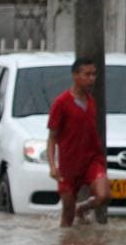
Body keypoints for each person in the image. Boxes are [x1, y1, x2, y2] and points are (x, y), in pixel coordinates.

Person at [47, 57, 110, 227]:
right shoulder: (61, 103)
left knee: (103, 195)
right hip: (68, 166)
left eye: (94, 74)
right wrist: (53, 166)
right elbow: (52, 138)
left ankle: (82, 208)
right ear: (75, 76)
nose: (92, 79)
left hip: (92, 160)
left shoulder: (91, 101)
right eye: (87, 74)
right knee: (67, 218)